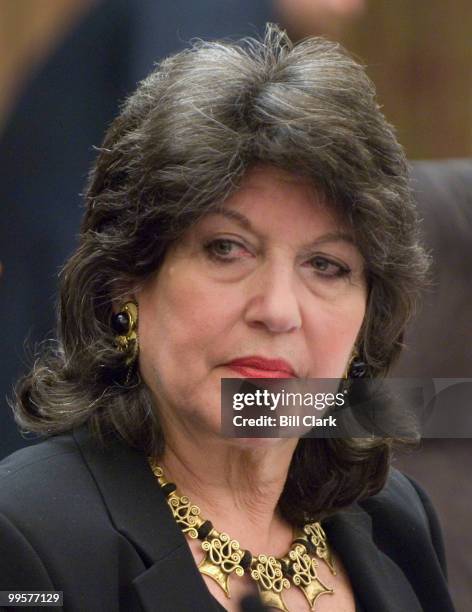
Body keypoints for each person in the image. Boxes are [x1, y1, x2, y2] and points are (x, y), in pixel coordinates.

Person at [0, 24, 454, 612]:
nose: (277, 311)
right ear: (124, 284)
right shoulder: (26, 536)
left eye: (327, 265)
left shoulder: (398, 518)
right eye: (226, 249)